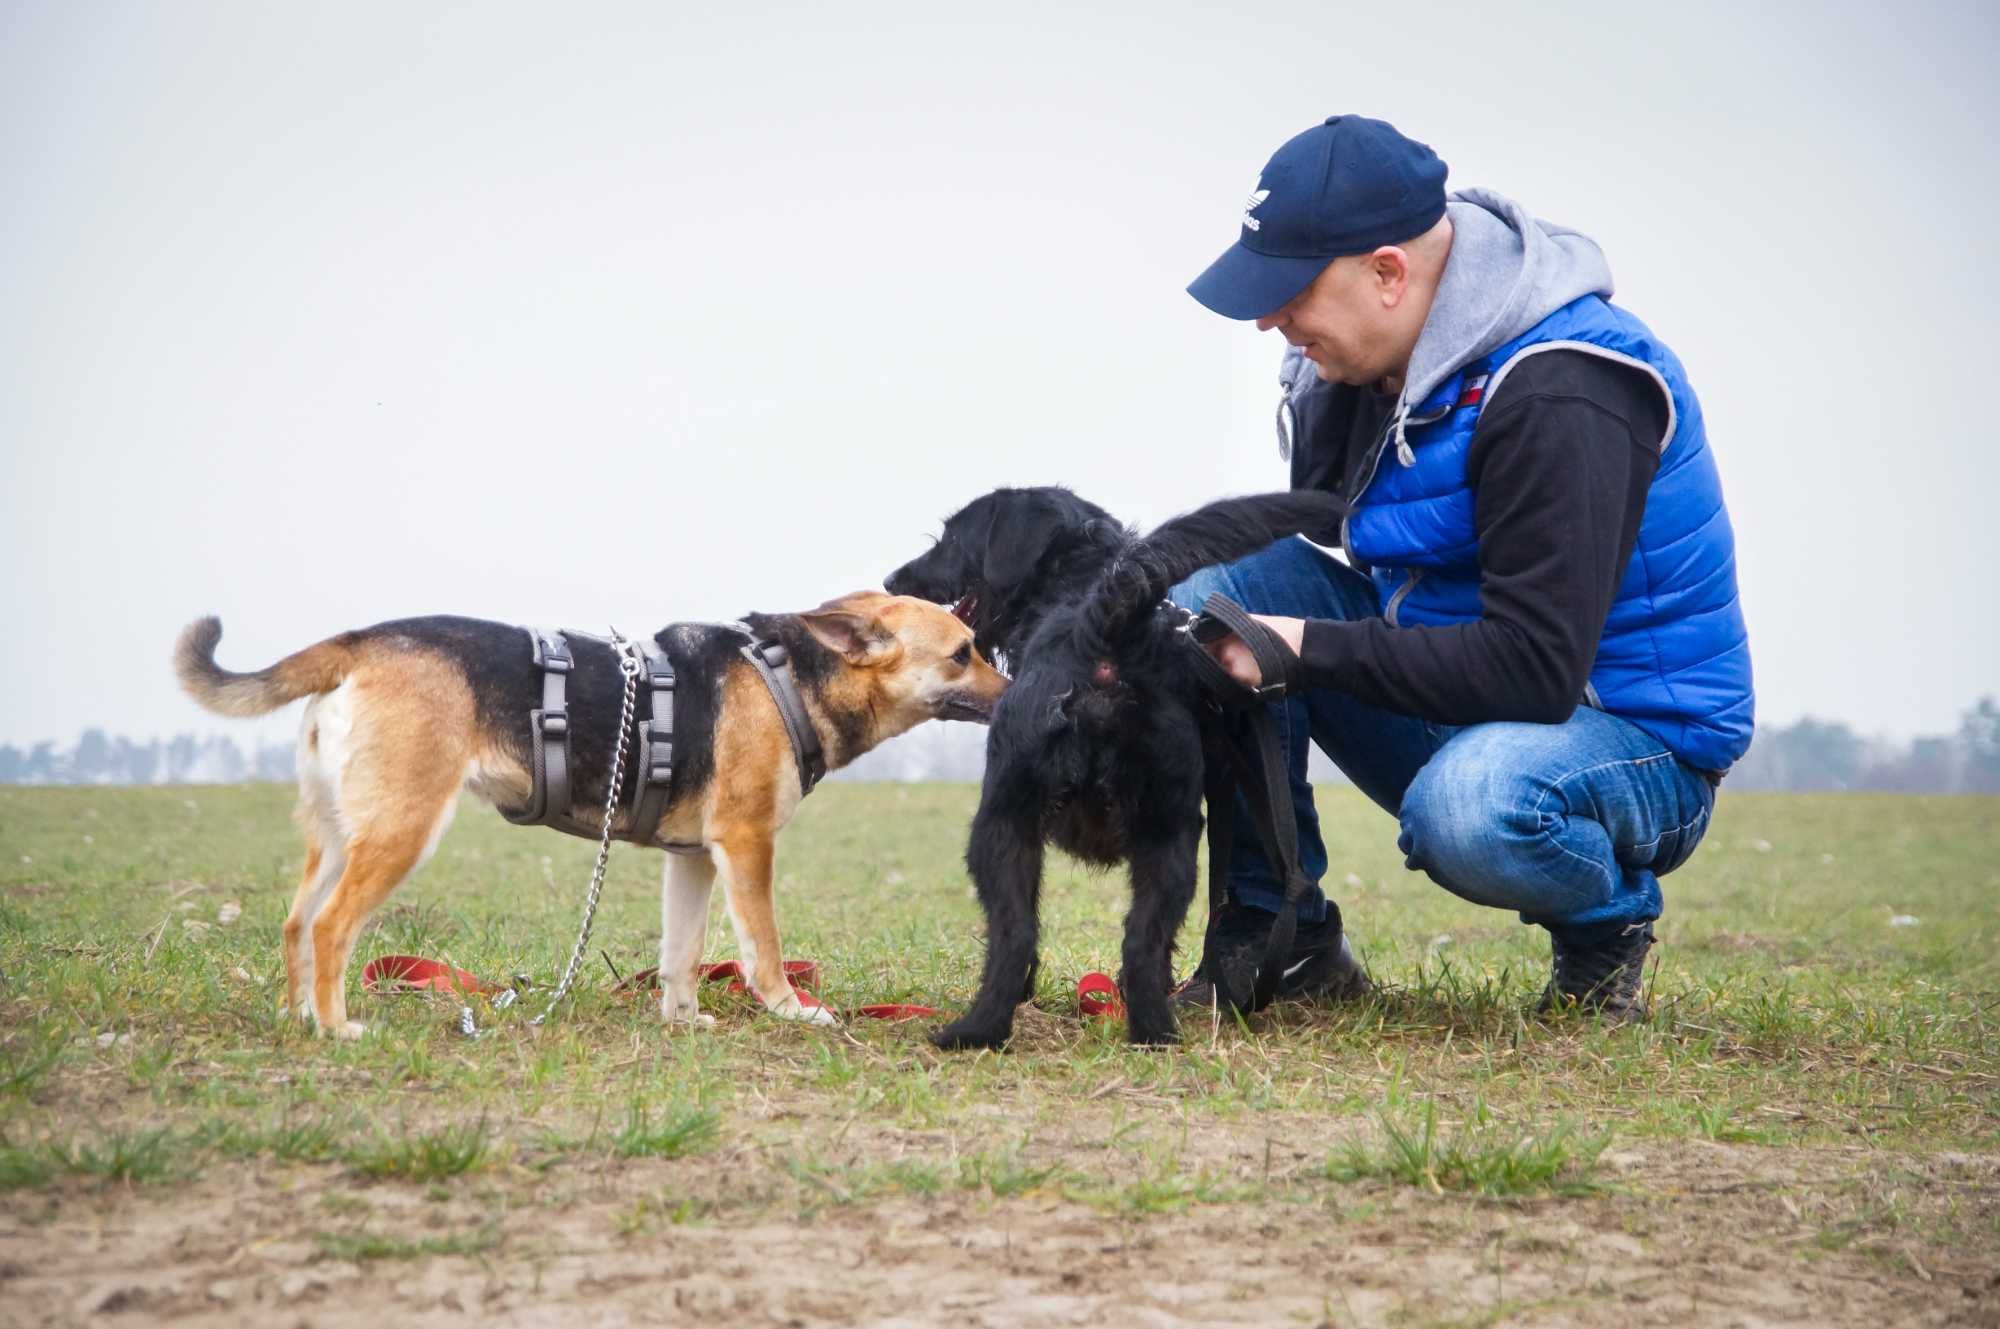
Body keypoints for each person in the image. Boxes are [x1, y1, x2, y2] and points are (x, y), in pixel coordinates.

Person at [1172, 115, 1753, 1022]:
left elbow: (1532, 668)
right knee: (1209, 589)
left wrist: (1300, 646)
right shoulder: (1382, 365)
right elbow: (1330, 534)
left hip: (1627, 740)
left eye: (1291, 293)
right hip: (1464, 695)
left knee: (1472, 803)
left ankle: (1607, 929)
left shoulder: (1565, 387)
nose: (1267, 320)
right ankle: (1283, 938)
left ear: (1389, 273)